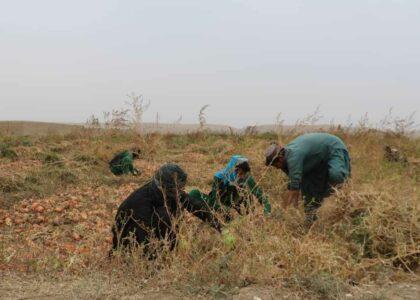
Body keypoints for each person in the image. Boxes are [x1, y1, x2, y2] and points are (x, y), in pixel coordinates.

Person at [111, 163, 220, 256]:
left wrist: (221, 227)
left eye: (180, 188)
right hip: (128, 241)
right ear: (163, 186)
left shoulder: (169, 191)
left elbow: (195, 206)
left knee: (174, 208)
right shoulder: (141, 201)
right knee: (165, 216)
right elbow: (143, 234)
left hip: (153, 237)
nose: (180, 191)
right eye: (177, 188)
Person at [265, 133, 351, 223]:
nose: (277, 168)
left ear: (280, 158)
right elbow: (294, 183)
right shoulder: (285, 163)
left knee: (336, 175)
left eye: (275, 165)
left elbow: (294, 188)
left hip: (332, 147)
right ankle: (311, 220)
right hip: (316, 160)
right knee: (307, 188)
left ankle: (344, 198)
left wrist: (283, 211)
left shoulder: (294, 157)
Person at [189, 155, 271, 222]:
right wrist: (229, 211)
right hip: (222, 207)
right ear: (233, 170)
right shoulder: (220, 177)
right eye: (240, 173)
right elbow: (215, 202)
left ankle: (244, 217)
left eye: (243, 173)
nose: (241, 176)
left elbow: (262, 197)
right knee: (194, 193)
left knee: (245, 192)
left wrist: (267, 214)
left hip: (238, 208)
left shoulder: (247, 178)